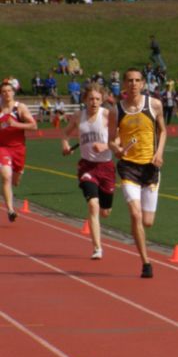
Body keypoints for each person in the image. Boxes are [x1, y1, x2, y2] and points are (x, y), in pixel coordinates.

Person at [108, 68, 167, 279]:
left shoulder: (154, 105)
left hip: (150, 167)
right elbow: (111, 139)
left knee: (147, 221)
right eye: (130, 80)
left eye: (137, 80)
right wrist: (117, 149)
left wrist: (159, 152)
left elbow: (163, 131)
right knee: (135, 214)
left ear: (143, 83)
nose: (133, 84)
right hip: (128, 167)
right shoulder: (116, 110)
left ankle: (139, 232)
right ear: (124, 84)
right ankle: (146, 262)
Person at [61, 83, 115, 259]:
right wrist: (66, 146)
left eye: (98, 99)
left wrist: (106, 145)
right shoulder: (78, 116)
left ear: (103, 100)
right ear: (85, 99)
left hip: (106, 167)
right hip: (87, 167)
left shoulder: (107, 116)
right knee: (93, 205)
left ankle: (106, 207)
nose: (94, 102)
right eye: (91, 98)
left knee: (105, 212)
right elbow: (65, 133)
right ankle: (97, 247)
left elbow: (121, 138)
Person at [0, 81, 37, 222]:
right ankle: (10, 209)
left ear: (13, 92)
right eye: (4, 91)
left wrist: (15, 124)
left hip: (18, 149)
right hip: (2, 148)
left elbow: (34, 125)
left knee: (15, 181)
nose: (7, 94)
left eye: (9, 91)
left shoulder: (19, 108)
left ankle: (17, 176)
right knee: (6, 175)